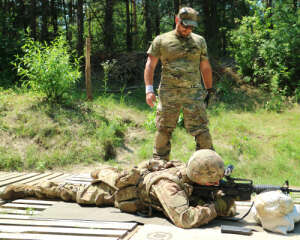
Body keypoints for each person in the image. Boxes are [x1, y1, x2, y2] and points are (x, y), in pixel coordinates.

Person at [0, 149, 235, 229]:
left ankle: (103, 171)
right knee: (69, 191)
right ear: (201, 177)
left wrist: (222, 201)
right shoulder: (169, 187)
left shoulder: (190, 174)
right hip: (119, 195)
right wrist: (215, 209)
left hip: (134, 179)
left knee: (111, 174)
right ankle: (22, 189)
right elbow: (184, 219)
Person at [144, 7, 215, 163]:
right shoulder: (161, 40)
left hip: (194, 94)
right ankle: (159, 166)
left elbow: (205, 66)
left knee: (202, 131)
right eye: (185, 25)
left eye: (191, 27)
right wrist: (149, 90)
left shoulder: (199, 41)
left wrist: (209, 89)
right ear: (177, 20)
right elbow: (150, 65)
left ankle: (207, 167)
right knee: (163, 130)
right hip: (169, 94)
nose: (187, 30)